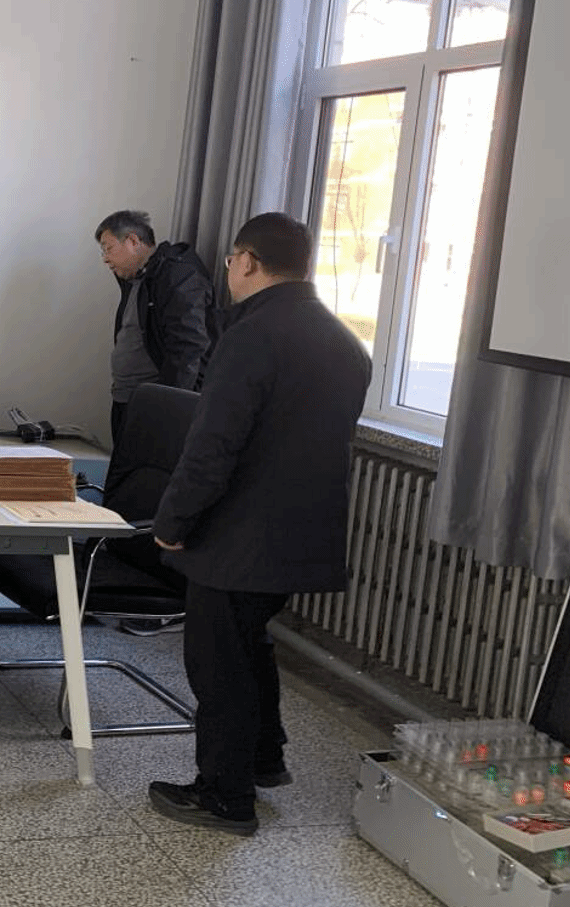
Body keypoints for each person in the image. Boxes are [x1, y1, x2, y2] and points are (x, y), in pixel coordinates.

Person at [146, 212, 371, 837]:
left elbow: (213, 446)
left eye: (231, 262)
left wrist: (173, 520)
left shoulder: (253, 335)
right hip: (302, 532)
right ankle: (264, 758)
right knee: (250, 644)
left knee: (219, 662)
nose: (230, 272)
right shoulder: (344, 341)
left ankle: (225, 795)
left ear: (246, 261)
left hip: (240, 533)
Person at [95, 210, 215, 446]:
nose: (105, 259)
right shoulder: (135, 279)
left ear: (133, 241)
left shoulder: (177, 276)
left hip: (154, 405)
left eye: (108, 249)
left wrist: (166, 407)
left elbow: (189, 348)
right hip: (127, 398)